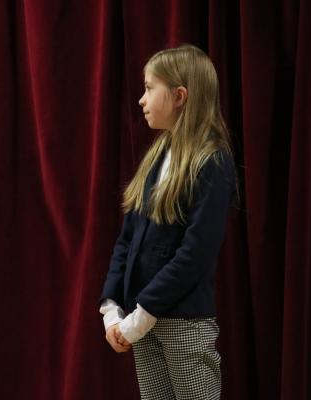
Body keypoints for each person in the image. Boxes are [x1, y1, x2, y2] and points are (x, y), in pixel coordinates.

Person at [99, 44, 236, 400]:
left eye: (149, 88)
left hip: (182, 324)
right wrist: (111, 308)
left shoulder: (211, 161)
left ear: (179, 96)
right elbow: (128, 239)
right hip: (142, 323)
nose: (141, 100)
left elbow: (195, 254)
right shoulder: (157, 157)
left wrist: (142, 315)